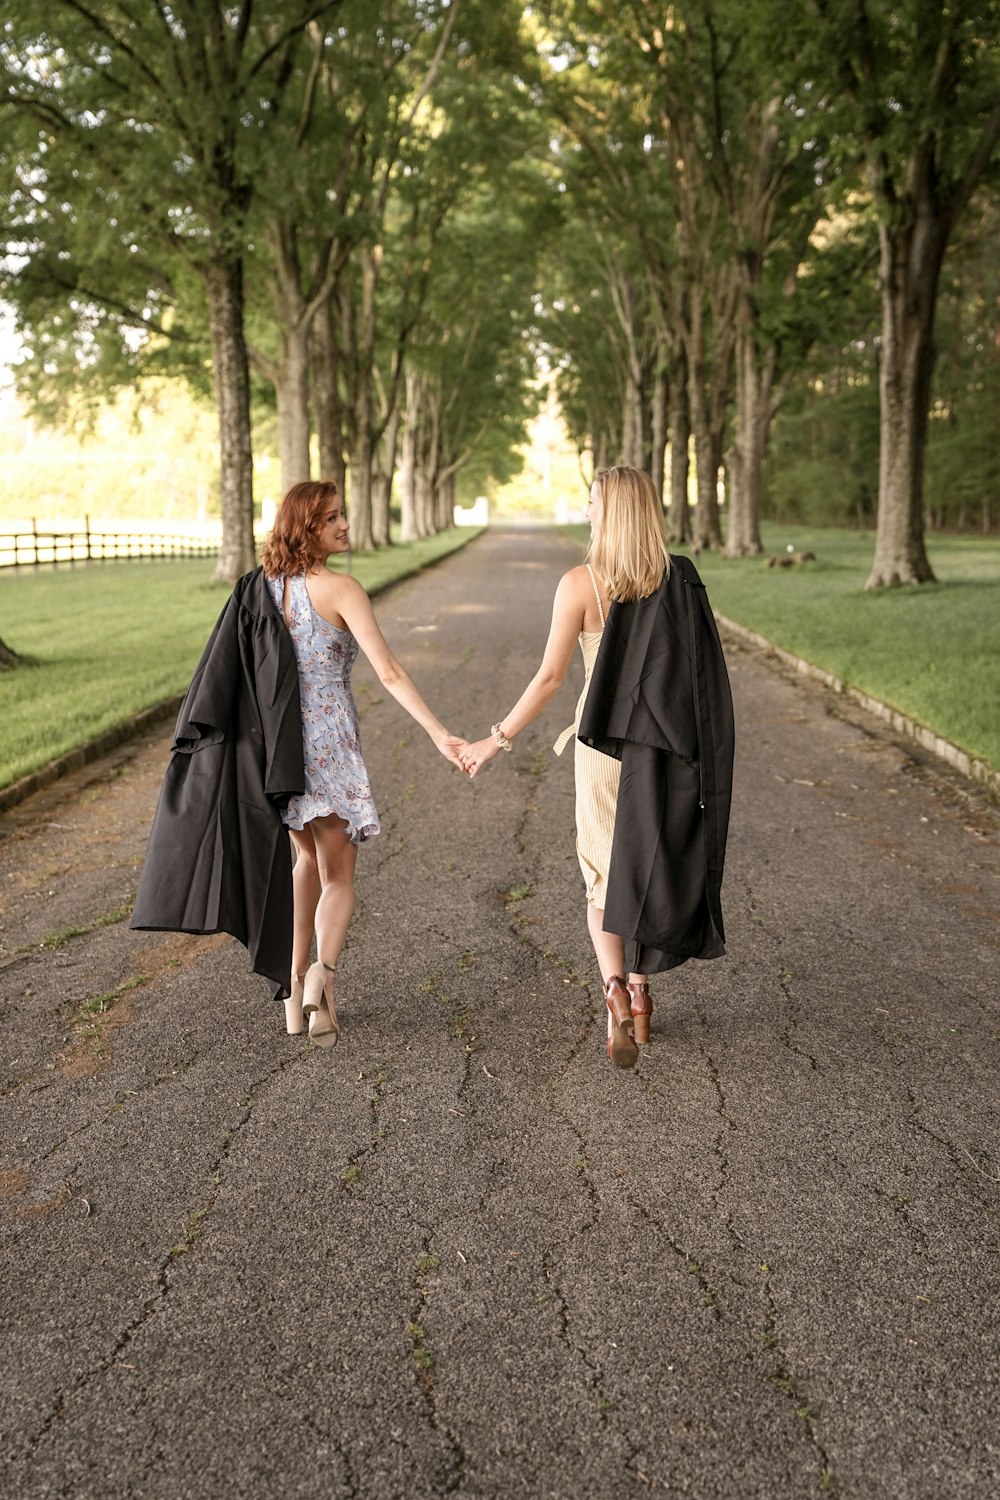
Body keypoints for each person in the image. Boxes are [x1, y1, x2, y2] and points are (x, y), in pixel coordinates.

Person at [460, 466, 734, 1070]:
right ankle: (640, 991)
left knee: (602, 870)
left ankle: (611, 988)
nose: (586, 512)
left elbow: (551, 678)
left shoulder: (580, 584)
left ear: (611, 512)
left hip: (603, 745)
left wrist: (494, 739)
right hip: (663, 746)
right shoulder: (679, 580)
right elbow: (699, 677)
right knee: (647, 861)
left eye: (591, 503)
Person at [261, 479, 465, 1047]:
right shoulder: (342, 589)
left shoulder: (268, 589)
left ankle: (293, 985)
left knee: (305, 861)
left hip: (280, 746)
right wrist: (438, 732)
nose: (345, 525)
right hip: (330, 742)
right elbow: (390, 672)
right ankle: (321, 980)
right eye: (331, 519)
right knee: (340, 876)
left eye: (342, 515)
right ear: (307, 528)